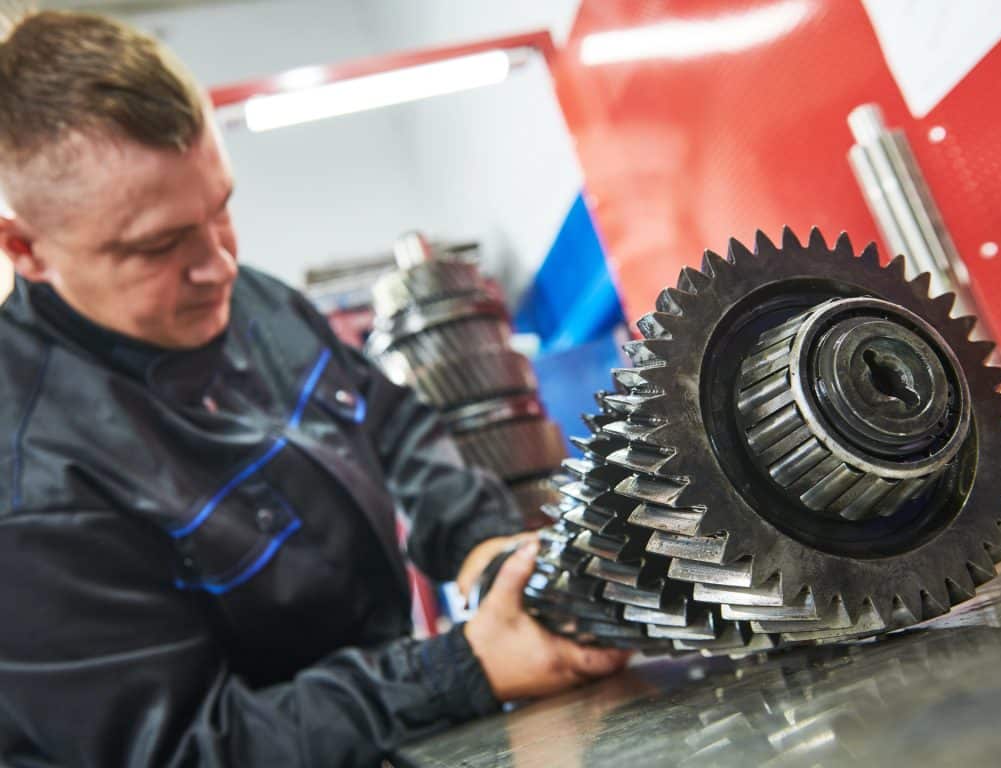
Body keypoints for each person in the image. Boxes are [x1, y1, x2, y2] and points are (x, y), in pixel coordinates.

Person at [0, 10, 628, 767]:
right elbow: (185, 750)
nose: (219, 266)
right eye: (158, 246)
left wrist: (481, 544)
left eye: (220, 209)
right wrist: (459, 668)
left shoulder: (251, 299)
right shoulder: (28, 490)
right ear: (25, 249)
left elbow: (390, 423)